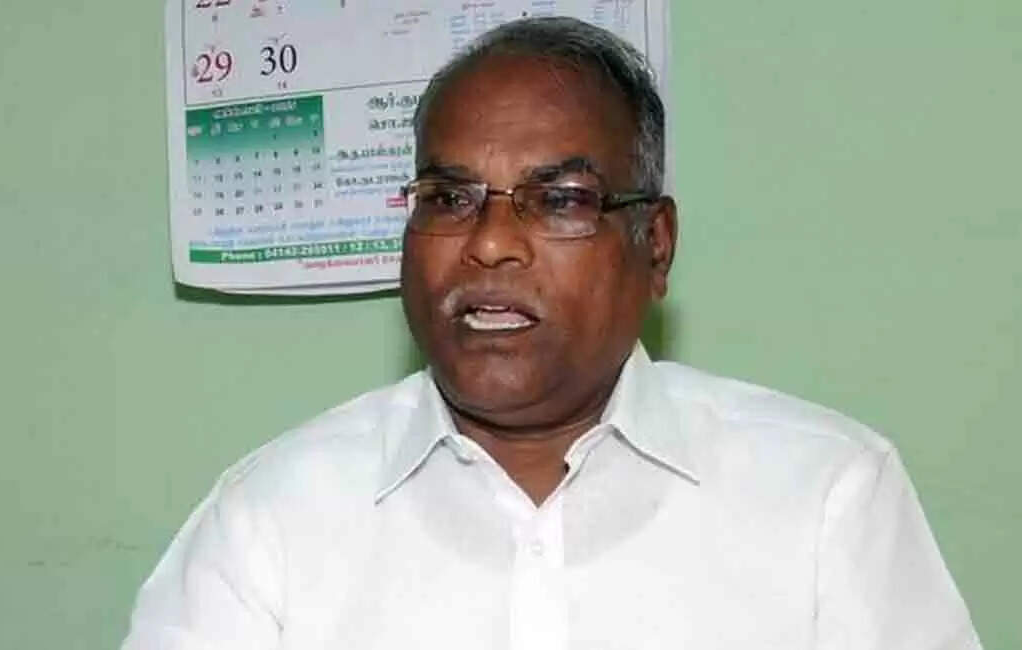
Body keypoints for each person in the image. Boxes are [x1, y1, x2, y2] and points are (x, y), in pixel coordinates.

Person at [123, 17, 981, 650]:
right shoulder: (272, 519)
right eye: (449, 198)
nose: (490, 243)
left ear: (654, 245)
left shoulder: (827, 497)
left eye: (560, 200)